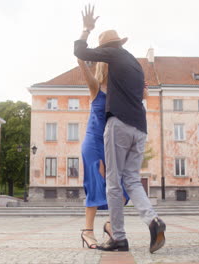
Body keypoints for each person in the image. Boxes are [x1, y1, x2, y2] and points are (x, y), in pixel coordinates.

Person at [74, 5, 166, 253]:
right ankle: (152, 220)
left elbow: (79, 50)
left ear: (108, 48)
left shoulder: (113, 57)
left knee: (114, 184)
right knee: (132, 181)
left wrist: (86, 30)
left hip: (119, 128)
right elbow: (142, 95)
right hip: (139, 128)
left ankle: (118, 237)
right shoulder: (134, 65)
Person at [78, 59, 128, 249]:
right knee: (95, 184)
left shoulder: (119, 92)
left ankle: (109, 224)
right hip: (93, 143)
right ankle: (87, 231)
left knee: (122, 189)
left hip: (110, 144)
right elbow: (81, 63)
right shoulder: (95, 87)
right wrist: (84, 36)